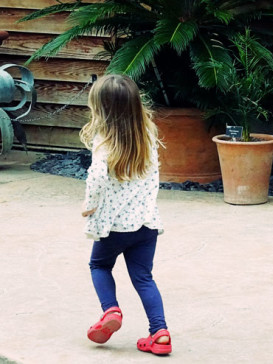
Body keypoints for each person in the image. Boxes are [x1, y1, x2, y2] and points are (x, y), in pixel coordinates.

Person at [80, 74, 171, 355]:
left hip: (115, 227)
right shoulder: (148, 136)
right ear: (135, 105)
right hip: (146, 225)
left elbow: (95, 179)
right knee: (143, 277)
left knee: (99, 266)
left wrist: (89, 205)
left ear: (101, 110)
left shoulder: (104, 143)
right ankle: (160, 333)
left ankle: (111, 311)